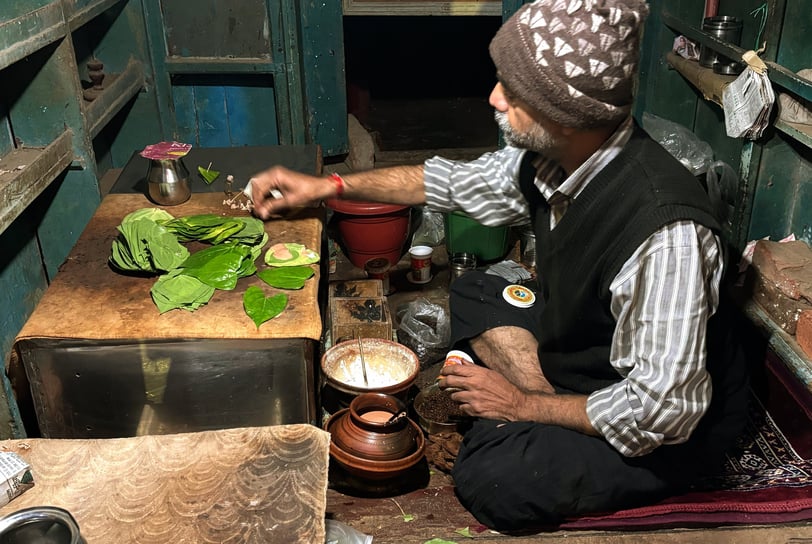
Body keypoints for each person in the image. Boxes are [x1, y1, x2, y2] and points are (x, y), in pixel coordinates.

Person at [249, 0, 750, 532]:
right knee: (479, 288)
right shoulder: (561, 157)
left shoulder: (665, 236)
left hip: (669, 425)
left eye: (514, 91)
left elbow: (661, 413)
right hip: (586, 352)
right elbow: (444, 183)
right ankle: (541, 397)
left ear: (568, 112)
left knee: (496, 479)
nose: (493, 98)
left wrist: (518, 404)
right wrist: (331, 186)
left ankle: (531, 410)